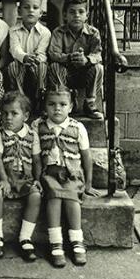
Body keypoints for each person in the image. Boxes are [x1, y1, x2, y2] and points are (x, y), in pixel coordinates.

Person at [32, 87, 100, 268]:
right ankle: (56, 243)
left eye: (63, 104)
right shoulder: (38, 126)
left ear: (70, 107)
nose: (57, 109)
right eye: (51, 104)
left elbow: (86, 157)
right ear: (45, 107)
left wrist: (88, 184)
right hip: (50, 175)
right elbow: (37, 158)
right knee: (53, 198)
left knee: (72, 200)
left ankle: (77, 241)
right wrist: (37, 179)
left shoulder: (78, 128)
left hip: (72, 175)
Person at [0, 92, 43, 261]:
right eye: (5, 113)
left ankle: (25, 238)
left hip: (25, 179)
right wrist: (3, 179)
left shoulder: (32, 135)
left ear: (25, 116)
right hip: (5, 177)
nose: (8, 118)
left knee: (35, 196)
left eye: (14, 113)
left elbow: (36, 160)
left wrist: (37, 179)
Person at [48, 0, 104, 120]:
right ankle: (66, 98)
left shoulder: (93, 33)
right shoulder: (58, 32)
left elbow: (98, 54)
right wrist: (68, 58)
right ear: (65, 15)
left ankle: (90, 103)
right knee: (54, 67)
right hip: (66, 74)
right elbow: (53, 53)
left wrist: (87, 59)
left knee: (98, 68)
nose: (76, 15)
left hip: (85, 73)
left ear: (86, 16)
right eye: (72, 12)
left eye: (81, 12)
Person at [6, 0, 51, 111]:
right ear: (19, 12)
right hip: (20, 64)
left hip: (36, 65)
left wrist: (36, 59)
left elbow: (42, 52)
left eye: (35, 8)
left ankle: (40, 97)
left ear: (40, 13)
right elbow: (15, 49)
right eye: (26, 7)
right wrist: (25, 57)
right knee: (12, 66)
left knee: (42, 66)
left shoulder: (45, 32)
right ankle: (20, 98)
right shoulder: (13, 31)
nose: (31, 10)